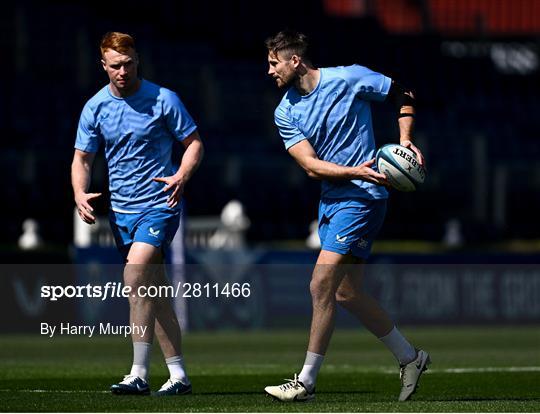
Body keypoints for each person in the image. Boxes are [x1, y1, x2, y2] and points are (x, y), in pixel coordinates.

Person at [263, 30, 429, 402]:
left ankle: (305, 382)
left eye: (274, 63)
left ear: (295, 61)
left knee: (320, 283)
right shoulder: (285, 110)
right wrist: (356, 170)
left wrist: (403, 140)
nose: (269, 71)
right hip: (335, 197)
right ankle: (410, 357)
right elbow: (309, 166)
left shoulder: (350, 77)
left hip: (364, 198)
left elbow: (404, 92)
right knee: (346, 292)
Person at [71, 32, 204, 396]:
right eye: (115, 65)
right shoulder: (95, 107)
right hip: (121, 212)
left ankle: (139, 373)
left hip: (159, 205)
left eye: (128, 63)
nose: (123, 71)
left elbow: (194, 143)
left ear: (137, 60)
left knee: (135, 275)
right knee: (154, 294)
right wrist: (79, 192)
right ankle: (179, 376)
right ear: (103, 65)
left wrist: (181, 174)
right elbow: (83, 157)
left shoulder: (164, 99)